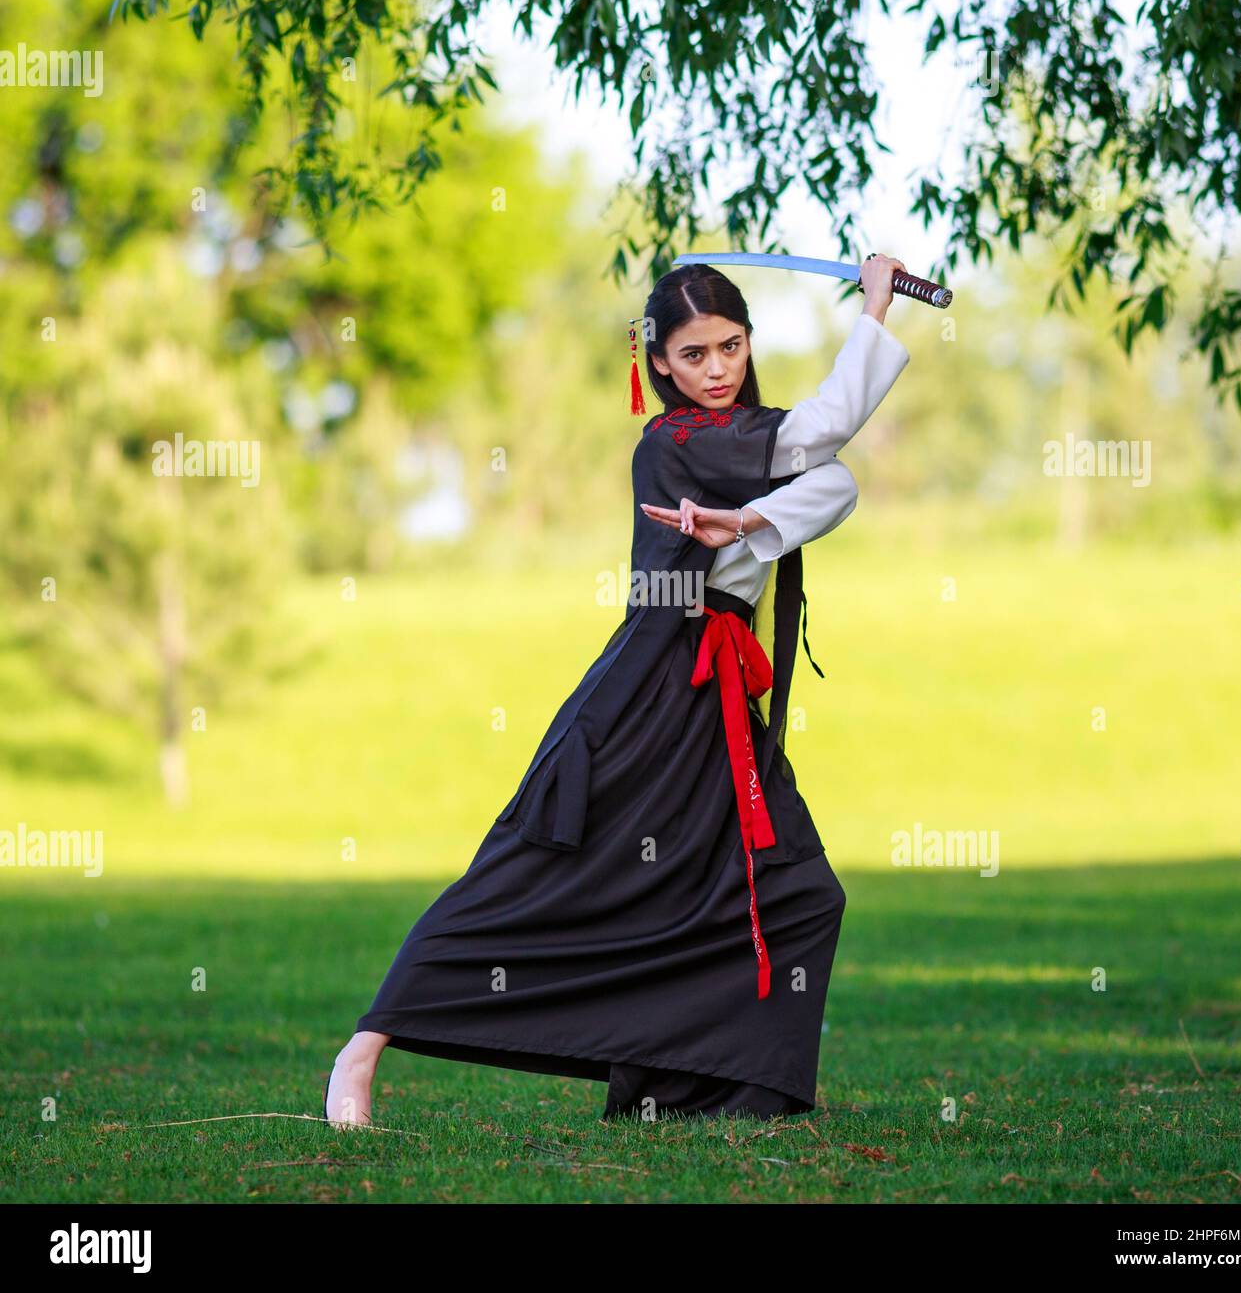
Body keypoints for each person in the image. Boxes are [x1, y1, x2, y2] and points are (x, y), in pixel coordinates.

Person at [324, 253, 910, 1127]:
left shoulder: (739, 445)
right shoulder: (676, 441)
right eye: (696, 354)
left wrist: (745, 521)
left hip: (716, 700)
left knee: (792, 890)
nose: (717, 370)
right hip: (653, 687)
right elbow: (819, 439)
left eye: (732, 346)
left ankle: (689, 1089)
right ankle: (364, 1050)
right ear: (660, 366)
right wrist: (876, 306)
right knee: (536, 872)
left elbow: (835, 481)